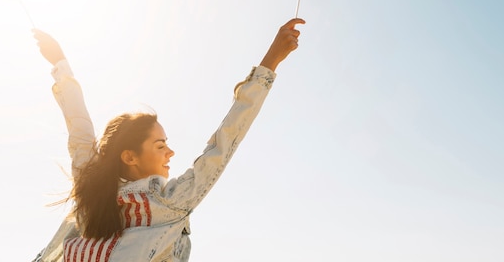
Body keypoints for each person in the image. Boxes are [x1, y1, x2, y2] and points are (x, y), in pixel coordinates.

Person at [31, 18, 305, 262]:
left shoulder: (90, 184)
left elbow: (79, 126)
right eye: (160, 145)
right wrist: (270, 62)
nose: (170, 152)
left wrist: (60, 64)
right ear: (129, 156)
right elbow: (226, 139)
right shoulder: (169, 203)